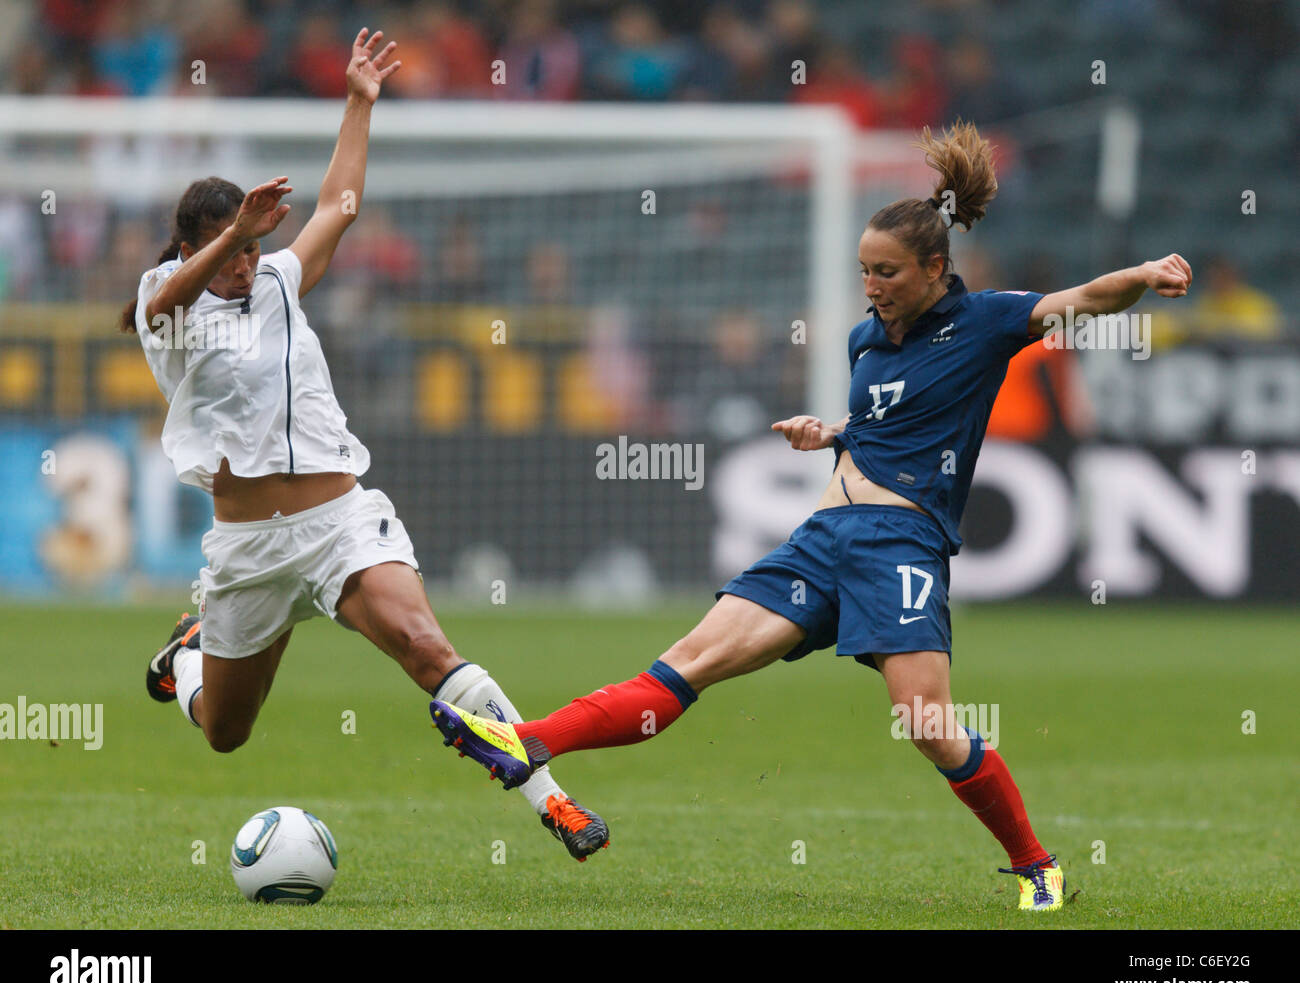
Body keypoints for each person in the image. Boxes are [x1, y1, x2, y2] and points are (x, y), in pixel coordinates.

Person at [430, 121, 1193, 910]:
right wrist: (833, 431)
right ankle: (524, 744)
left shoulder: (989, 322)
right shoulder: (866, 341)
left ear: (936, 267)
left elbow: (1084, 301)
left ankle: (1038, 865)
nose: (873, 285)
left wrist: (1140, 273)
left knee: (926, 723)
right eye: (865, 270)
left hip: (901, 542)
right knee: (683, 664)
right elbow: (890, 426)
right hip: (823, 538)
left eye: (888, 271)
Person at [118, 26, 608, 862]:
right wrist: (225, 239)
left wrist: (357, 102)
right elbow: (169, 293)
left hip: (340, 522)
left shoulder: (274, 279)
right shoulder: (166, 302)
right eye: (234, 252)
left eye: (254, 250)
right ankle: (192, 653)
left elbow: (340, 207)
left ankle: (552, 800)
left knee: (427, 647)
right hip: (247, 547)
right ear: (205, 245)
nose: (248, 265)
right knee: (225, 734)